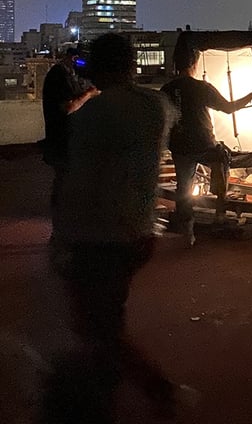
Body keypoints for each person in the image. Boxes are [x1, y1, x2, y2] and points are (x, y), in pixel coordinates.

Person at [45, 33, 184, 423]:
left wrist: (63, 234)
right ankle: (111, 389)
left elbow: (81, 178)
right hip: (139, 228)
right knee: (106, 318)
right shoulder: (157, 106)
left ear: (98, 67)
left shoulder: (93, 114)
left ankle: (151, 389)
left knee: (95, 325)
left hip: (98, 234)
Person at [161, 46, 252, 246]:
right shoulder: (201, 88)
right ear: (194, 64)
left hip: (179, 145)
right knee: (222, 159)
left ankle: (187, 230)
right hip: (203, 142)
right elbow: (229, 107)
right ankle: (219, 212)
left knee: (184, 187)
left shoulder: (167, 89)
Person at [41, 48, 99, 209]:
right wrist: (89, 94)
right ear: (74, 58)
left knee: (66, 178)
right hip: (62, 138)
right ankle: (62, 213)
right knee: (64, 178)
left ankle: (64, 211)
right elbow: (68, 107)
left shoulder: (67, 74)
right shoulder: (59, 75)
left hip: (67, 137)